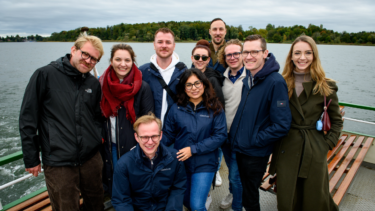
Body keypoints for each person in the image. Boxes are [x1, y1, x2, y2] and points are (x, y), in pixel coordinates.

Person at [19, 34, 105, 211]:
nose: (88, 61)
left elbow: (96, 117)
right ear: (73, 50)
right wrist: (31, 157)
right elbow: (28, 119)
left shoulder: (92, 83)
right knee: (66, 207)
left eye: (94, 59)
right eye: (85, 54)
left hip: (90, 159)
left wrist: (96, 139)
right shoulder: (45, 75)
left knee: (96, 203)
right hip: (59, 161)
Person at [269, 35, 343, 211]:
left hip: (314, 148)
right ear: (291, 56)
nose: (302, 57)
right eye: (298, 53)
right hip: (287, 146)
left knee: (314, 198)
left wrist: (326, 145)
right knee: (287, 198)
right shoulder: (280, 83)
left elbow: (337, 121)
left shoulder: (326, 86)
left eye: (308, 53)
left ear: (314, 55)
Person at [229, 34, 292, 211]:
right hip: (241, 148)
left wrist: (254, 139)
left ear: (265, 53)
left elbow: (282, 125)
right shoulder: (249, 78)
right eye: (245, 52)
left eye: (254, 52)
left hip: (255, 152)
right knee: (244, 192)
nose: (248, 56)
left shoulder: (275, 82)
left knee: (250, 197)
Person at [162, 68, 227, 211]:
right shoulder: (176, 108)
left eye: (197, 83)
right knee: (186, 202)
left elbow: (220, 136)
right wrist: (151, 146)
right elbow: (167, 134)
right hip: (181, 162)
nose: (194, 88)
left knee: (197, 206)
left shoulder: (215, 108)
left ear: (204, 84)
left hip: (205, 162)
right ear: (184, 88)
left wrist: (193, 149)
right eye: (189, 85)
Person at [99, 44, 154, 196]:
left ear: (132, 62)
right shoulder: (101, 85)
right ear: (111, 61)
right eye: (118, 59)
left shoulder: (142, 88)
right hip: (110, 146)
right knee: (117, 186)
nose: (122, 64)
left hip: (134, 147)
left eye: (127, 60)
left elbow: (148, 120)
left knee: (135, 187)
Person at [111, 113, 187, 211]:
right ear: (136, 137)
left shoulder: (175, 158)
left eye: (154, 136)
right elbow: (121, 200)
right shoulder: (124, 164)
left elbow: (178, 188)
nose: (150, 142)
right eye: (144, 137)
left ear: (161, 135)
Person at [216, 38, 246, 211]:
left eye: (236, 53)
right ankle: (232, 193)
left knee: (235, 176)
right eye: (229, 54)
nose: (233, 57)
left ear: (243, 55)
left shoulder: (250, 77)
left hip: (242, 137)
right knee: (233, 175)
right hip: (224, 135)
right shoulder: (222, 78)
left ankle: (237, 206)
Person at [139, 28, 187, 124]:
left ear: (174, 46)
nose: (164, 46)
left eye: (168, 42)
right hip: (149, 132)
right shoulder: (142, 71)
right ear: (154, 45)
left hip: (174, 131)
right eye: (160, 42)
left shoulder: (183, 72)